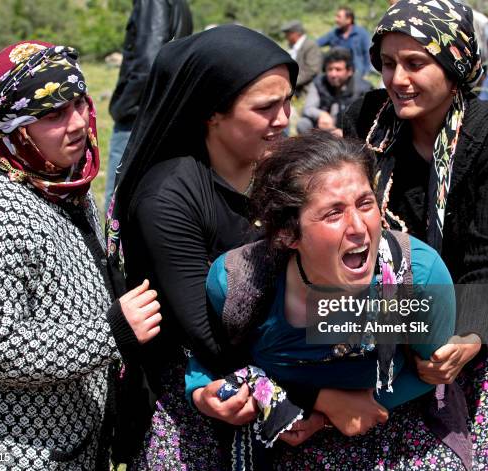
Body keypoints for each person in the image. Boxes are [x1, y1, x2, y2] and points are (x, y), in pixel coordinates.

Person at [186, 131, 465, 468]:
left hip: (393, 423)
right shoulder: (238, 284)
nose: (359, 227)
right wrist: (202, 394)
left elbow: (430, 373)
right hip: (274, 429)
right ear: (288, 234)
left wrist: (336, 412)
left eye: (365, 204)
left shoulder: (417, 276)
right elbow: (206, 357)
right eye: (333, 214)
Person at [0, 41, 161, 470]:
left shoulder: (61, 185)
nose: (79, 123)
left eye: (80, 102)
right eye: (53, 114)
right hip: (10, 450)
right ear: (19, 129)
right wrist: (112, 330)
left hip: (67, 441)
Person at [344, 0, 488, 467]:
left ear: (454, 66)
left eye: (415, 63)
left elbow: (487, 254)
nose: (397, 79)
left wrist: (470, 337)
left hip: (485, 318)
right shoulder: (367, 120)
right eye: (387, 64)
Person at [105, 25, 302, 469]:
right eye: (266, 107)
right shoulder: (169, 196)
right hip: (200, 398)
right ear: (213, 113)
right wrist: (327, 365)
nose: (284, 118)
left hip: (282, 370)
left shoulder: (280, 175)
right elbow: (210, 334)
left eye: (288, 100)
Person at [104, 0, 193, 213]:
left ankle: (112, 247)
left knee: (118, 199)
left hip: (138, 117)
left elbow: (148, 63)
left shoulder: (152, 2)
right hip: (164, 111)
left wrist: (123, 106)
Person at [297, 47, 372, 136]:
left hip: (351, 133)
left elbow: (368, 121)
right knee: (303, 124)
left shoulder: (364, 89)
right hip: (323, 129)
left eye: (338, 69)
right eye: (330, 69)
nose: (333, 74)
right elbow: (308, 108)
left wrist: (345, 132)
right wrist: (321, 114)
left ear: (350, 71)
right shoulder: (319, 83)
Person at [317, 6, 371, 77]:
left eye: (339, 17)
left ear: (349, 19)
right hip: (336, 72)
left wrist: (366, 72)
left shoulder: (361, 34)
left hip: (355, 73)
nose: (336, 19)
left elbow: (367, 54)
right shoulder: (334, 33)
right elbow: (316, 43)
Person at [281, 20, 323, 97]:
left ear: (295, 33)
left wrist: (291, 83)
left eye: (287, 34)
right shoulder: (292, 46)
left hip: (307, 89)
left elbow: (312, 70)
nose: (285, 37)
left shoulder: (310, 46)